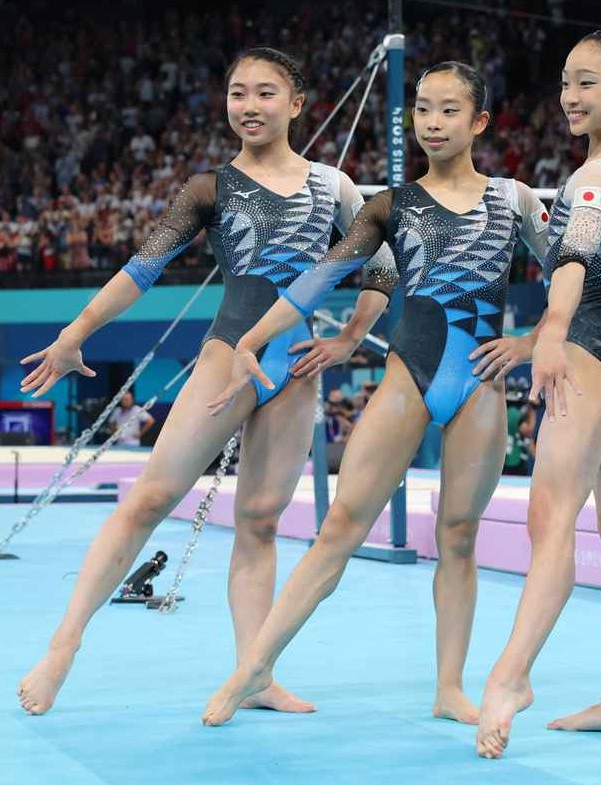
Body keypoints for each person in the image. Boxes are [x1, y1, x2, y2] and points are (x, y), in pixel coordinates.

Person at [15, 47, 396, 716]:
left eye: (265, 93)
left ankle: (255, 674)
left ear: (297, 104)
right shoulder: (209, 189)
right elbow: (141, 268)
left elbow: (383, 262)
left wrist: (349, 338)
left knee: (260, 522)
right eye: (237, 93)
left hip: (293, 369)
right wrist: (77, 332)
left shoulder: (333, 187)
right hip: (227, 356)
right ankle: (63, 645)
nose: (249, 105)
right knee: (151, 498)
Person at [199, 61, 548, 727]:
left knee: (459, 537)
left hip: (479, 384)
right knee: (339, 529)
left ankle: (449, 688)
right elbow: (317, 278)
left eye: (449, 110)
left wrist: (533, 342)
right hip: (407, 378)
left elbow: (579, 275)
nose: (432, 123)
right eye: (423, 109)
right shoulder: (391, 205)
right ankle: (252, 670)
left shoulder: (515, 199)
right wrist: (256, 337)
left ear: (479, 121)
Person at [474, 28, 601, 759]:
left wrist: (553, 334)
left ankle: (509, 677)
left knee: (551, 520)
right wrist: (559, 326)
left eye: (587, 82)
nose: (569, 95)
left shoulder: (596, 175)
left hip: (590, 344)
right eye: (566, 80)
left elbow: (572, 257)